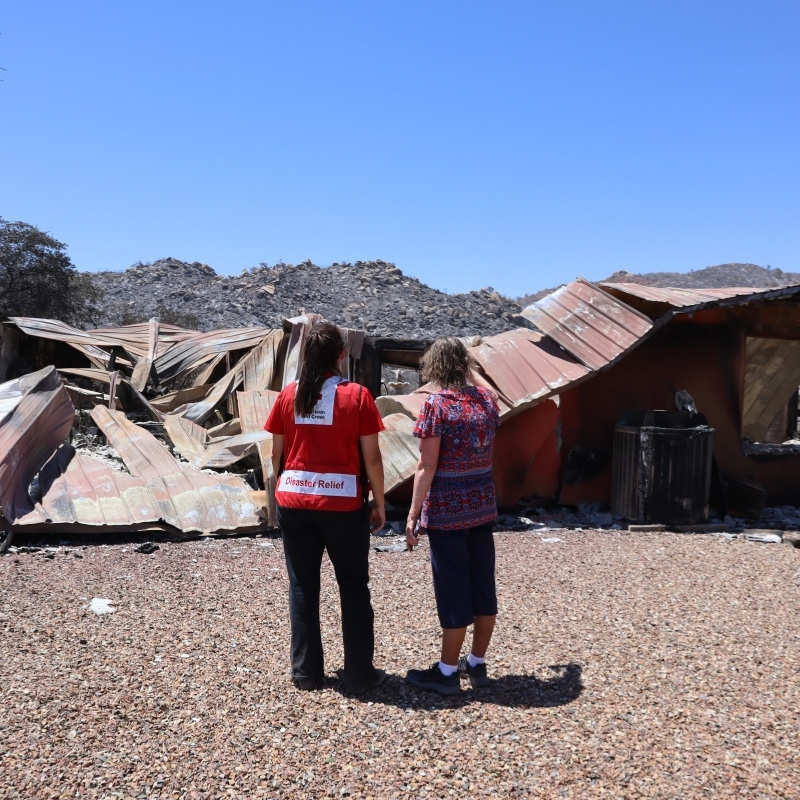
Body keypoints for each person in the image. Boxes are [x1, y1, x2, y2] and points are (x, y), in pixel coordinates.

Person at [265, 322, 387, 695]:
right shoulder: (358, 396)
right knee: (352, 586)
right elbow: (373, 458)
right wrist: (379, 503)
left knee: (302, 586)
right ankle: (359, 675)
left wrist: (279, 500)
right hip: (343, 503)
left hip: (295, 501)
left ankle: (306, 673)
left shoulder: (289, 395)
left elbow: (276, 457)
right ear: (340, 355)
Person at [404, 336, 500, 695]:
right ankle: (476, 664)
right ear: (465, 365)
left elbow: (426, 466)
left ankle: (446, 673)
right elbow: (486, 388)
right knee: (482, 586)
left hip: (447, 513)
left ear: (434, 367)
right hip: (482, 507)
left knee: (453, 588)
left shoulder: (437, 406)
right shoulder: (487, 402)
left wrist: (413, 515)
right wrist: (470, 368)